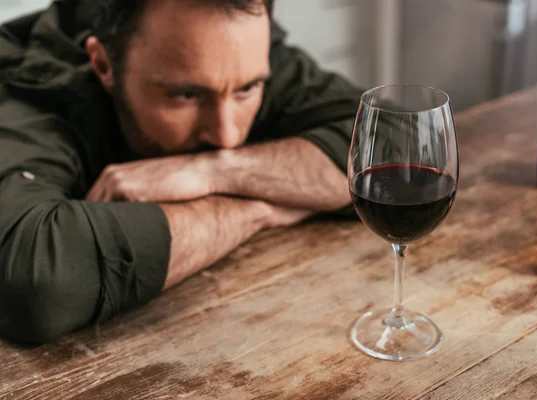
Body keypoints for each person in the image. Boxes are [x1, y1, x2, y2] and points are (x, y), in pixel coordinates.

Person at [0, 0, 363, 344]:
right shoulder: (28, 90)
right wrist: (259, 208)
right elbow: (36, 282)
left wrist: (214, 171)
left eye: (248, 89)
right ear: (104, 65)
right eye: (187, 95)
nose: (227, 135)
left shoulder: (236, 40)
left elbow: (395, 145)